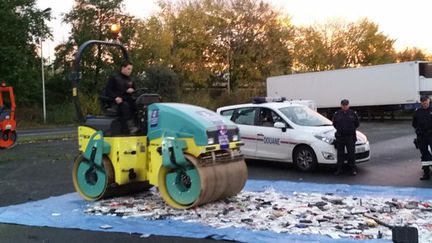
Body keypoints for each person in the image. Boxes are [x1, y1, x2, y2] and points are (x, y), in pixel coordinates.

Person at [105, 60, 139, 134]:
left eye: (131, 69)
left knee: (138, 104)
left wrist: (132, 90)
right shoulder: (114, 77)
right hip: (117, 100)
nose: (130, 71)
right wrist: (115, 97)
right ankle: (130, 127)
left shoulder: (130, 79)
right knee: (125, 106)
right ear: (123, 68)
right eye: (128, 69)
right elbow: (108, 90)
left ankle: (139, 125)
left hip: (128, 99)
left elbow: (135, 89)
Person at [332, 99, 359, 176]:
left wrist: (350, 130)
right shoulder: (337, 114)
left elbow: (357, 124)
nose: (345, 106)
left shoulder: (353, 114)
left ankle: (352, 169)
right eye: (343, 105)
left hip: (350, 137)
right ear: (341, 105)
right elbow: (334, 124)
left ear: (348, 105)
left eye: (346, 105)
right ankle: (340, 169)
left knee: (351, 154)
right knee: (340, 154)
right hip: (340, 137)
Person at [412, 95, 432, 180]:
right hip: (422, 137)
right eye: (423, 103)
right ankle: (426, 173)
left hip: (431, 135)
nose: (425, 105)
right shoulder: (417, 112)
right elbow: (414, 124)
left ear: (429, 101)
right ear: (421, 103)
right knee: (424, 155)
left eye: (426, 103)